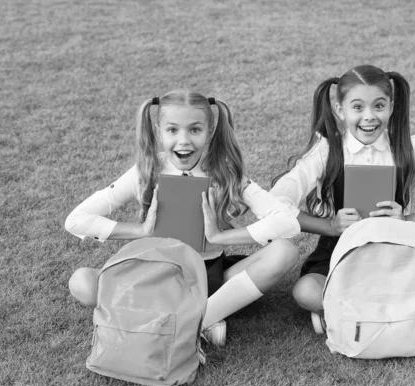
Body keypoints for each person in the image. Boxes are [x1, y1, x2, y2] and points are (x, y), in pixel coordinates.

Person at [65, 90, 300, 346]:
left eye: (195, 130)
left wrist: (221, 237)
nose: (184, 141)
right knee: (82, 282)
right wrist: (140, 231)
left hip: (207, 278)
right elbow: (76, 219)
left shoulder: (224, 171)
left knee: (284, 251)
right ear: (158, 131)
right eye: (173, 130)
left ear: (209, 132)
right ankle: (198, 321)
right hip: (152, 277)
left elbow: (286, 222)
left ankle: (191, 320)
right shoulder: (147, 170)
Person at [271, 65, 415, 339]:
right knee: (305, 290)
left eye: (379, 106)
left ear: (392, 107)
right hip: (339, 254)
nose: (369, 117)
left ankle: (343, 315)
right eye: (357, 107)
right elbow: (275, 203)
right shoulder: (327, 151)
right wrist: (329, 226)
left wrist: (408, 221)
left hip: (396, 252)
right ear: (340, 109)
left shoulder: (406, 148)